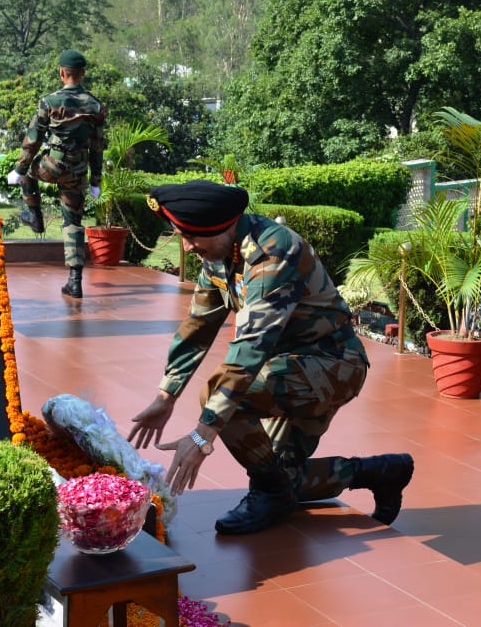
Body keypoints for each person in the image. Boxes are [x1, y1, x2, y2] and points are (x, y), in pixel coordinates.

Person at [127, 181, 414, 535]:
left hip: (331, 365)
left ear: (223, 227)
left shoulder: (271, 254)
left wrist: (203, 436)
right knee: (283, 479)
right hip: (284, 369)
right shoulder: (221, 254)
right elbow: (198, 327)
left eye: (192, 237)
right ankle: (381, 471)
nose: (186, 246)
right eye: (181, 235)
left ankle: (269, 492)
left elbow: (249, 348)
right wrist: (165, 396)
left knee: (223, 400)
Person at [6, 49, 106, 299]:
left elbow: (33, 140)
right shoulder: (95, 105)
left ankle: (35, 215)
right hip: (78, 171)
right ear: (82, 74)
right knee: (73, 223)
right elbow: (98, 146)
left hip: (52, 165)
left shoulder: (49, 102)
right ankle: (75, 281)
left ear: (62, 73)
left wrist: (18, 170)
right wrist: (95, 181)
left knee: (29, 167)